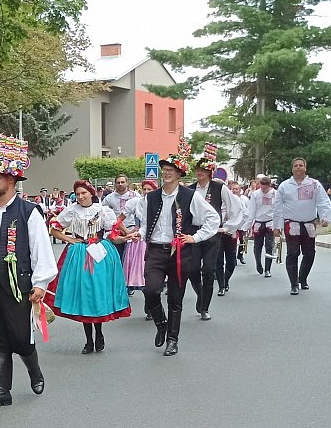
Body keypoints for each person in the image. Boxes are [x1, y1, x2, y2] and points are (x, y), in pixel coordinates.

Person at [0, 135, 57, 408]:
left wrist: (41, 283)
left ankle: (34, 369)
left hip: (16, 284)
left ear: (10, 181)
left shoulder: (28, 211)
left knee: (20, 336)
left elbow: (40, 249)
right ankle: (2, 391)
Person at [125, 139, 220, 356]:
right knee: (150, 290)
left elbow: (213, 218)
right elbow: (147, 224)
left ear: (179, 174)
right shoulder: (151, 197)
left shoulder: (190, 196)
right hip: (156, 250)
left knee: (175, 297)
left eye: (171, 170)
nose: (167, 173)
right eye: (165, 170)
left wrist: (195, 238)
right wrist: (139, 234)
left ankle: (173, 340)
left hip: (180, 252)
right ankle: (161, 324)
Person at [48, 180, 131, 354]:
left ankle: (99, 333)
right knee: (84, 294)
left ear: (91, 194)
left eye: (83, 193)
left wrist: (123, 238)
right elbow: (54, 228)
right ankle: (88, 340)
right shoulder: (71, 210)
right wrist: (70, 240)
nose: (80, 197)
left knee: (96, 293)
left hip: (99, 252)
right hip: (79, 254)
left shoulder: (102, 210)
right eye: (78, 194)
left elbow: (112, 232)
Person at [188, 145, 242, 320]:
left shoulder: (220, 188)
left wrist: (226, 227)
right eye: (198, 170)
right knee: (193, 268)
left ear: (210, 172)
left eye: (203, 170)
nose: (200, 173)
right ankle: (201, 293)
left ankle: (204, 307)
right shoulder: (189, 189)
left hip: (212, 233)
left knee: (209, 269)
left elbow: (235, 207)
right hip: (195, 232)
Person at [272, 157, 331, 295]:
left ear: (305, 168)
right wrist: (277, 225)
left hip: (309, 223)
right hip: (291, 223)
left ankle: (302, 279)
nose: (298, 167)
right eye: (296, 165)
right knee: (293, 253)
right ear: (292, 168)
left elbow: (323, 201)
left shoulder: (314, 184)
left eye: (301, 165)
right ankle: (294, 284)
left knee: (309, 253)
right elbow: (277, 207)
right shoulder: (284, 186)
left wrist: (324, 217)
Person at [121, 180, 158, 310]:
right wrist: (128, 232)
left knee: (151, 276)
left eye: (150, 189)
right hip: (138, 242)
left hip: (154, 241)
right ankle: (148, 305)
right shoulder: (134, 202)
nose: (147, 192)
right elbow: (118, 220)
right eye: (145, 189)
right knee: (142, 275)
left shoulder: (160, 202)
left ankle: (150, 305)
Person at [215, 179, 247, 295]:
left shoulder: (236, 201)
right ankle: (221, 286)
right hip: (217, 234)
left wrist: (240, 227)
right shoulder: (215, 202)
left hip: (231, 234)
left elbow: (243, 215)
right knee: (218, 261)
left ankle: (226, 279)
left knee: (231, 262)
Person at [247, 175, 276, 277]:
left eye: (265, 187)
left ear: (269, 186)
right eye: (261, 187)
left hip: (270, 222)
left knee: (269, 246)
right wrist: (248, 224)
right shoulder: (255, 194)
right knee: (257, 246)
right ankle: (258, 263)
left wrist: (278, 225)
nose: (263, 189)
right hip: (259, 222)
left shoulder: (275, 194)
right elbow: (251, 210)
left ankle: (268, 269)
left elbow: (278, 209)